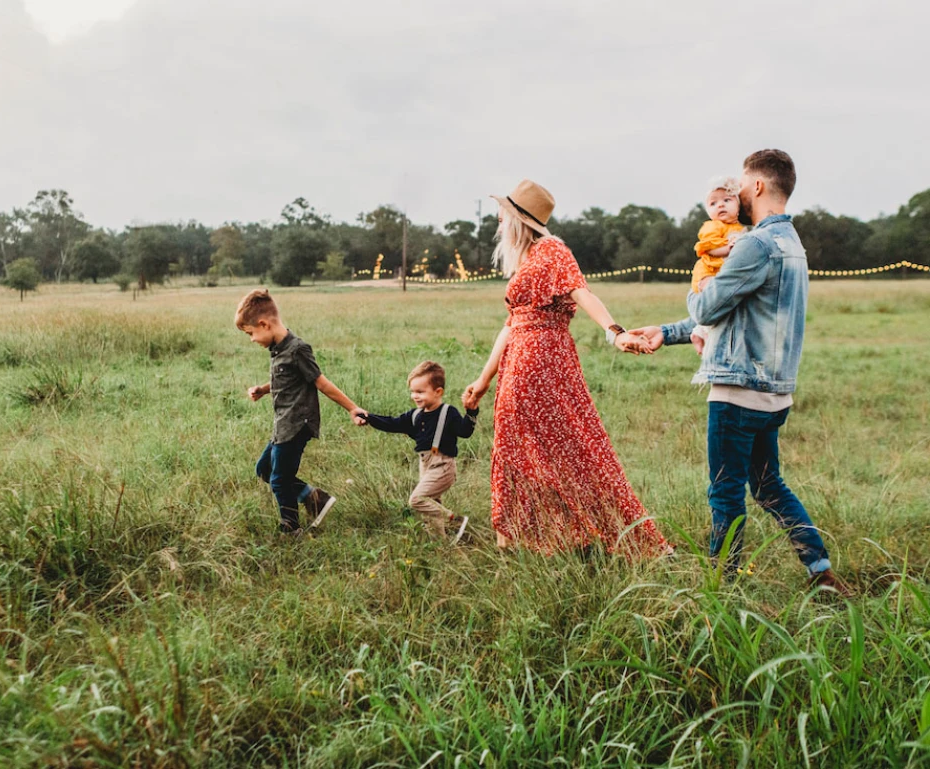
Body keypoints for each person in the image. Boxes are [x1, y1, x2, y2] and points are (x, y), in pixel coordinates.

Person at [630, 150, 848, 592]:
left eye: (743, 186)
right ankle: (819, 571)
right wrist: (667, 332)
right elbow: (736, 314)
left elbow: (709, 305)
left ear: (760, 187)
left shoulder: (754, 244)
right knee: (769, 487)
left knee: (725, 492)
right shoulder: (792, 245)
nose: (738, 194)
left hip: (737, 392)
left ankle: (722, 587)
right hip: (774, 394)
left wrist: (700, 287)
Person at [462, 179, 672, 557]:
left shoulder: (552, 250)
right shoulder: (526, 259)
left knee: (569, 446)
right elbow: (511, 325)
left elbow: (582, 292)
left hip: (542, 361)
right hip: (520, 360)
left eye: (503, 214)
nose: (497, 220)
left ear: (520, 219)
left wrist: (615, 332)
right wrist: (482, 380)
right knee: (517, 446)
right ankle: (521, 539)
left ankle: (583, 533)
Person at [235, 289, 366, 537]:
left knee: (279, 480)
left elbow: (321, 382)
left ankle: (291, 529)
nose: (252, 339)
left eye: (251, 333)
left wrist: (353, 408)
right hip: (282, 424)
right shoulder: (278, 350)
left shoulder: (297, 349)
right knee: (264, 469)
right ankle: (315, 498)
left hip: (296, 424)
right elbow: (286, 380)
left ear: (264, 324)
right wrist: (264, 389)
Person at [357, 360, 476, 543]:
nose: (415, 396)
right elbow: (392, 423)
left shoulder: (448, 413)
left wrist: (471, 412)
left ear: (438, 392)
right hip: (425, 465)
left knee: (417, 500)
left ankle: (455, 521)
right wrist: (369, 418)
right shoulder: (415, 415)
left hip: (443, 465)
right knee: (431, 508)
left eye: (420, 392)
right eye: (413, 391)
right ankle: (440, 544)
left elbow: (465, 432)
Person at [690, 177, 747, 354]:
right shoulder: (713, 226)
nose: (720, 205)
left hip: (721, 271)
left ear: (738, 206)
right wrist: (727, 248)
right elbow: (708, 248)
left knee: (723, 303)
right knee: (713, 297)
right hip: (708, 270)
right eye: (713, 203)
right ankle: (704, 333)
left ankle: (699, 331)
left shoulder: (740, 228)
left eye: (727, 200)